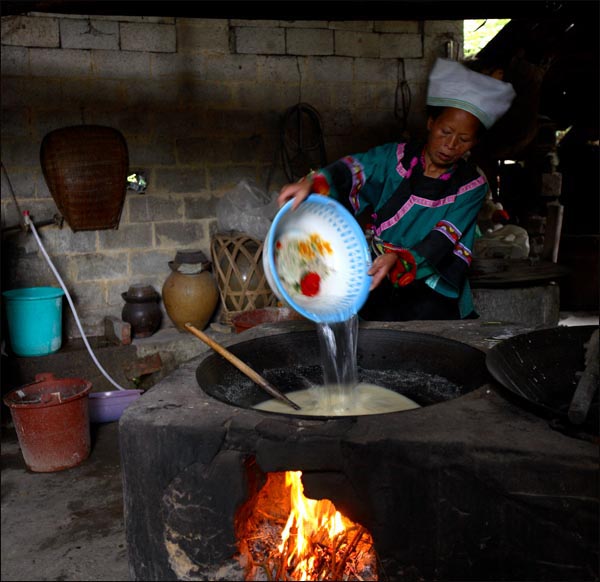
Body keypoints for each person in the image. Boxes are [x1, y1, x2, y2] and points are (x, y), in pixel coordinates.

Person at [278, 58, 516, 321]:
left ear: (475, 142)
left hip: (431, 286)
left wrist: (401, 260)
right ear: (430, 123)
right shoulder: (394, 158)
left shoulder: (471, 186)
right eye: (445, 131)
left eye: (463, 139)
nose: (450, 145)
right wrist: (313, 183)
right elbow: (356, 170)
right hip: (379, 269)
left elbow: (442, 239)